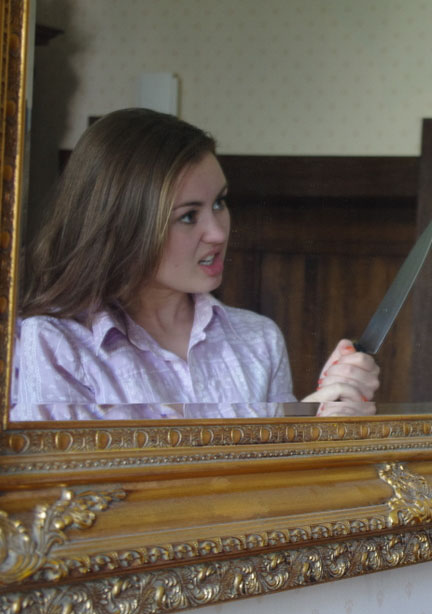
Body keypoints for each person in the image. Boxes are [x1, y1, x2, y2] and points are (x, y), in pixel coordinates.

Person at [12, 108, 379, 420]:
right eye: (188, 216)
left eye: (219, 202)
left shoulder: (259, 340)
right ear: (121, 225)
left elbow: (280, 477)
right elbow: (77, 483)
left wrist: (320, 423)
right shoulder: (53, 345)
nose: (218, 233)